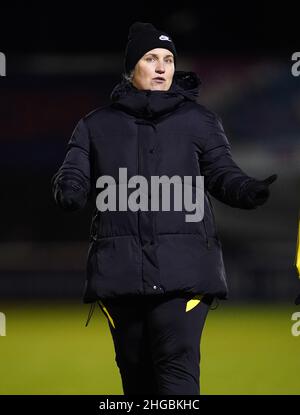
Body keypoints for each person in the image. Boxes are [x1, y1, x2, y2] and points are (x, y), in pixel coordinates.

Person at [51, 22, 277, 395]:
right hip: (120, 276)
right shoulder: (95, 126)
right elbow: (71, 174)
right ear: (130, 68)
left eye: (168, 59)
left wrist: (248, 190)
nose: (161, 67)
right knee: (136, 384)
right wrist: (70, 188)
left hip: (184, 274)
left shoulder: (200, 121)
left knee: (177, 378)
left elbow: (223, 173)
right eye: (151, 58)